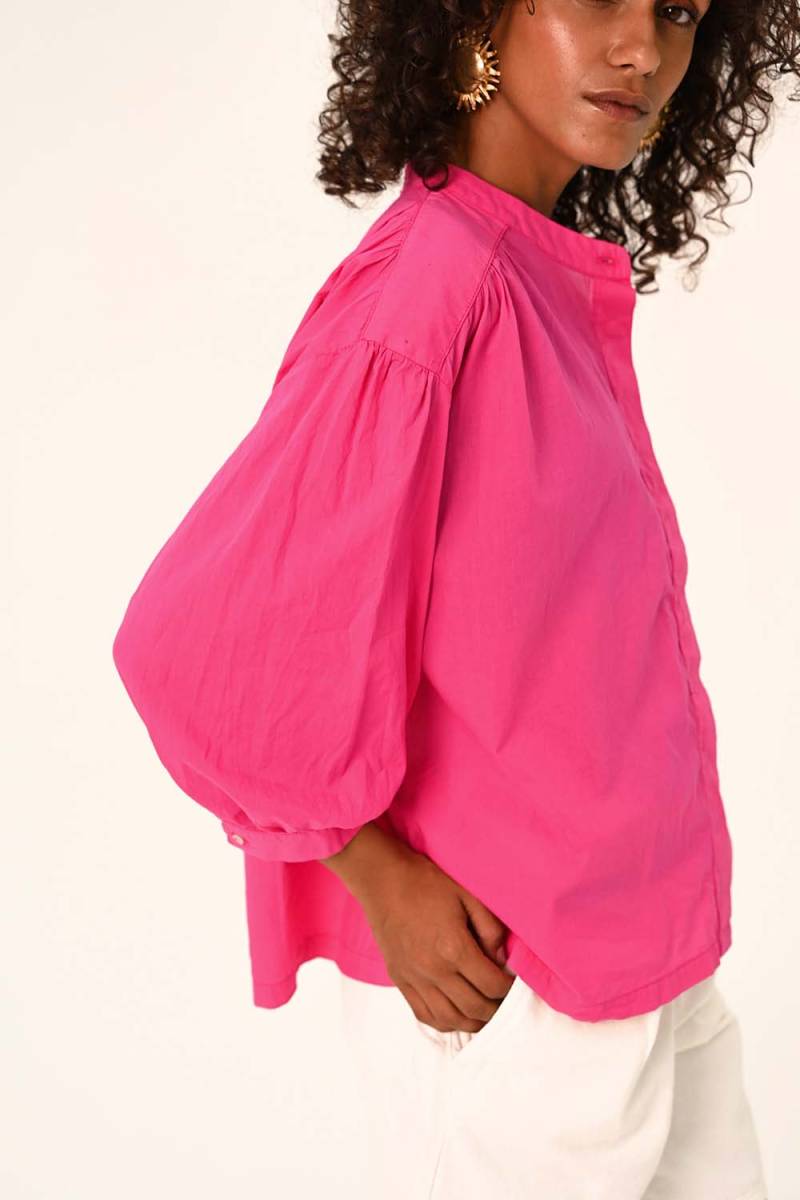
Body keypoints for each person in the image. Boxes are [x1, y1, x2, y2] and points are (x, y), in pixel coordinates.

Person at [110, 0, 797, 1195]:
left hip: (647, 963)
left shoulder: (531, 273)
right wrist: (376, 875)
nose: (642, 48)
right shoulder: (434, 290)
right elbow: (192, 643)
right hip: (510, 998)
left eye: (680, 12)